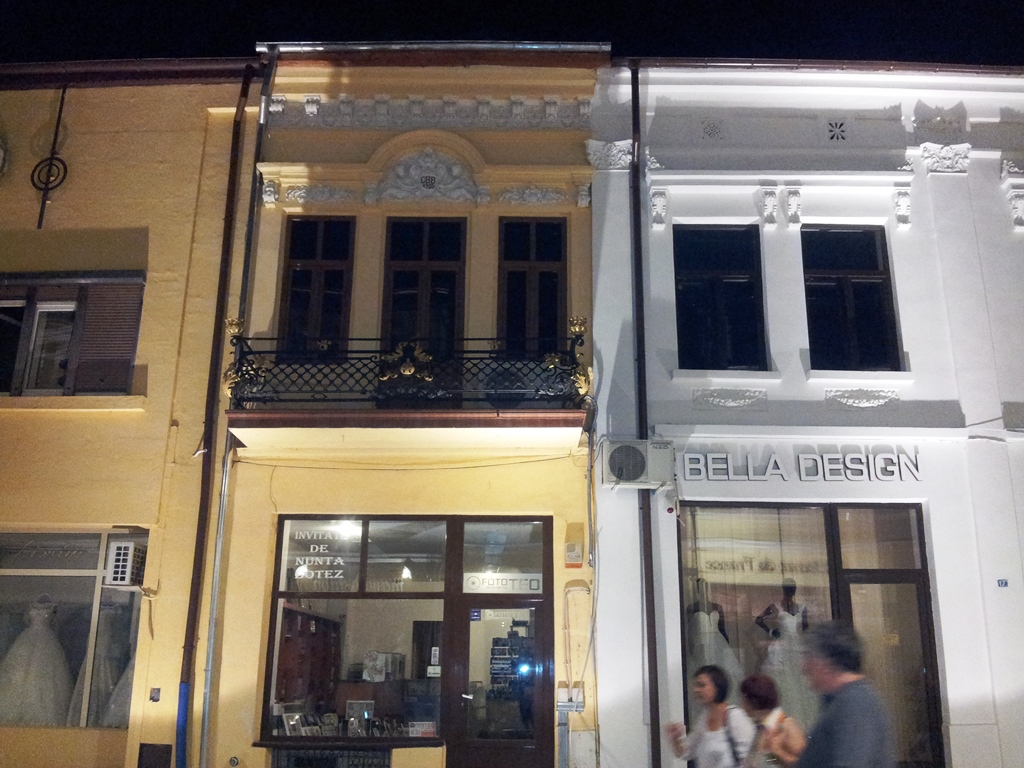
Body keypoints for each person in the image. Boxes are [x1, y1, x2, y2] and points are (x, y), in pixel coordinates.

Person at [796, 621, 894, 768]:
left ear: (827, 661)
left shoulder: (855, 704)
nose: (803, 666)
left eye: (808, 656)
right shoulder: (843, 700)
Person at [666, 664, 756, 767]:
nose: (696, 690)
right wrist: (675, 738)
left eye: (701, 685)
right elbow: (685, 752)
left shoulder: (734, 716)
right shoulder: (703, 720)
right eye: (695, 685)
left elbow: (750, 756)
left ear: (717, 687)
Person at [756, 579, 817, 726]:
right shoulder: (776, 607)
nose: (790, 592)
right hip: (782, 644)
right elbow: (759, 620)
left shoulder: (802, 608)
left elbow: (806, 629)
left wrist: (807, 646)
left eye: (792, 589)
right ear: (783, 590)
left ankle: (800, 716)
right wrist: (771, 631)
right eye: (788, 589)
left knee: (798, 678)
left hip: (796, 645)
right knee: (783, 679)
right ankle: (781, 715)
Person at [739, 673, 806, 767]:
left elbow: (808, 762)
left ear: (752, 700)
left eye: (743, 698)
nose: (741, 703)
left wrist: (778, 752)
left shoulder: (787, 725)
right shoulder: (760, 730)